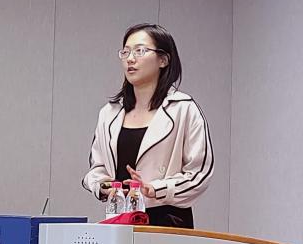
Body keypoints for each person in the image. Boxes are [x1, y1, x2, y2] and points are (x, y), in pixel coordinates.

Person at [82, 23, 213, 228]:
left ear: (163, 60)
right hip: (120, 219)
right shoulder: (110, 112)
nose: (130, 59)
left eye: (140, 51)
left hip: (168, 221)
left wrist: (155, 189)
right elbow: (97, 168)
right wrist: (103, 186)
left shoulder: (184, 108)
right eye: (125, 52)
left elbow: (199, 174)